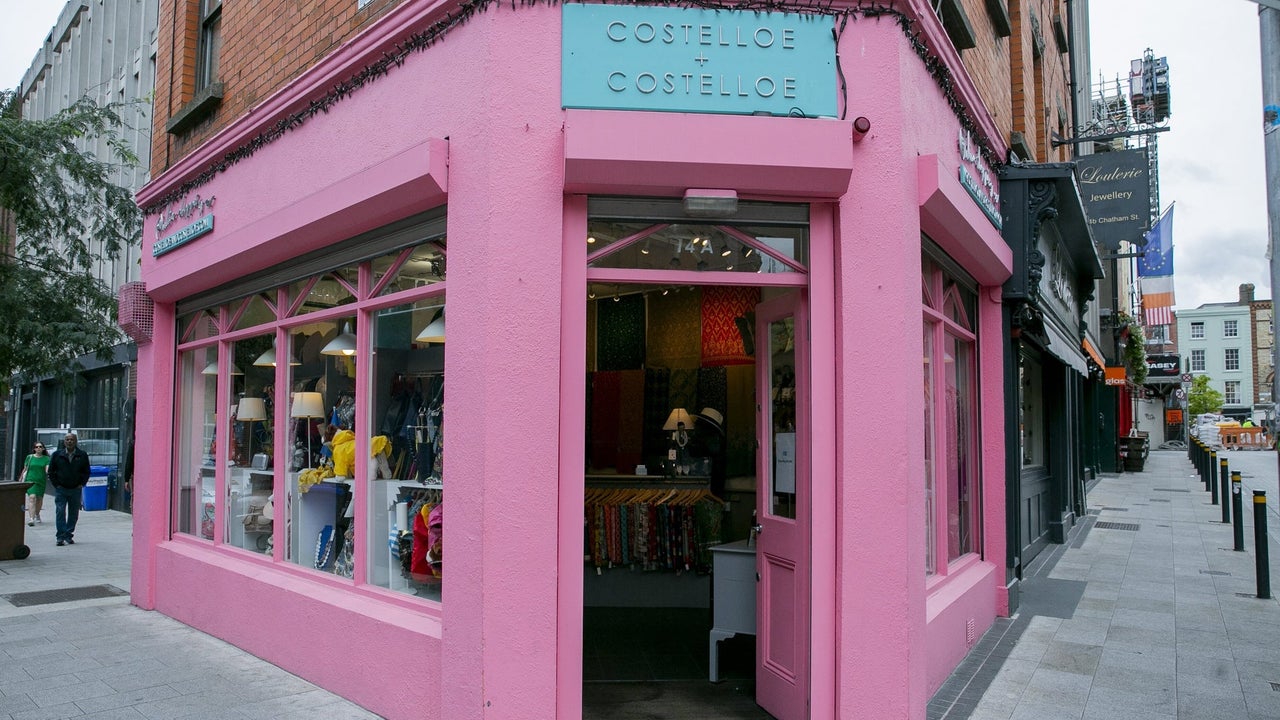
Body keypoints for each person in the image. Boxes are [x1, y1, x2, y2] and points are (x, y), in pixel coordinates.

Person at [48, 432, 91, 546]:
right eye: (67, 439)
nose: (69, 441)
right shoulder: (57, 455)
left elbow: (86, 471)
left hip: (75, 489)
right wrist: (56, 484)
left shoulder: (82, 455)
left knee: (73, 513)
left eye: (72, 439)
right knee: (60, 512)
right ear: (64, 441)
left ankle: (68, 534)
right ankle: (60, 536)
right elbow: (51, 471)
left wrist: (82, 483)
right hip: (61, 489)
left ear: (76, 441)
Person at [19, 441, 51, 526]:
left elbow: (47, 469)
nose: (38, 448)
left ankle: (37, 514)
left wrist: (48, 471)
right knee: (32, 497)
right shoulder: (29, 457)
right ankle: (31, 519)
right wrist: (21, 478)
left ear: (43, 448)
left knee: (39, 499)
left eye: (40, 447)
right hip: (30, 480)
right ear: (34, 449)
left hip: (41, 481)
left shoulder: (46, 459)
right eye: (36, 447)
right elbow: (25, 469)